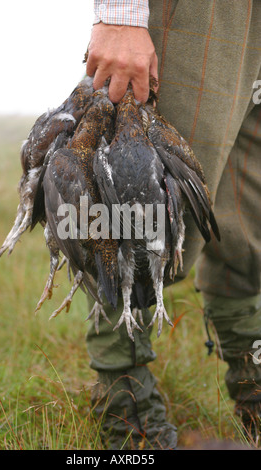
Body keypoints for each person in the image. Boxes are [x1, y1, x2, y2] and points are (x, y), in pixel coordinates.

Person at [84, 0, 261, 450]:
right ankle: (127, 406)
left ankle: (252, 382)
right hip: (208, 14)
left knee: (246, 227)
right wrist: (119, 16)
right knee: (143, 222)